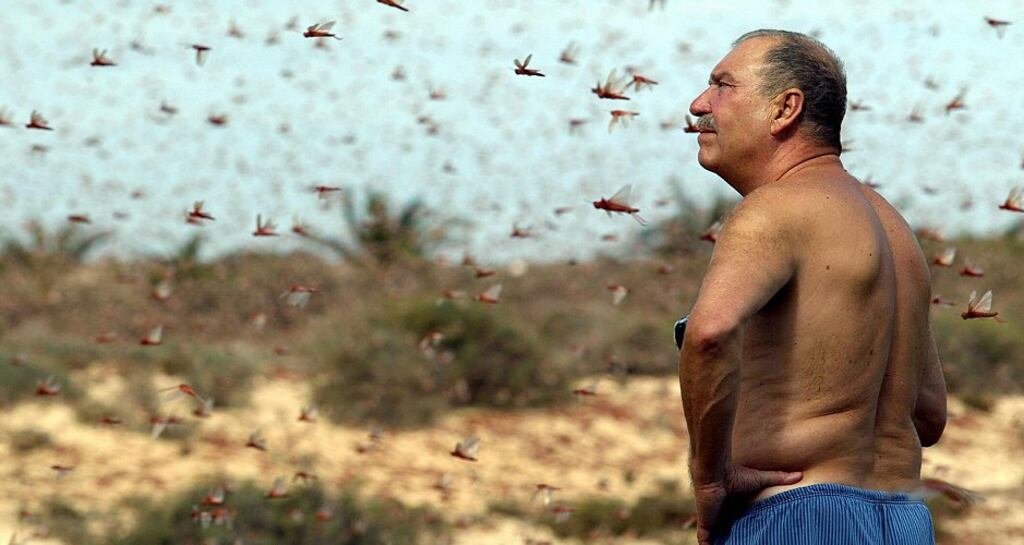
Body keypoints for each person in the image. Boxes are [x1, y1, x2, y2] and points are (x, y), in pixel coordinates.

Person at [678, 29, 946, 545]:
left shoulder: (774, 207)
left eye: (722, 85)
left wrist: (711, 478)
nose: (698, 104)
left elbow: (709, 335)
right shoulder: (897, 233)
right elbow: (929, 414)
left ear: (785, 109)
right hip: (904, 520)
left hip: (800, 514)